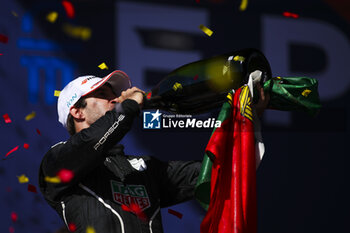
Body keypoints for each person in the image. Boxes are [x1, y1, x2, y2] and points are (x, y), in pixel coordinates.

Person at [38, 70, 269, 233]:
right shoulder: (57, 162)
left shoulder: (146, 168)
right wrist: (128, 108)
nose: (114, 98)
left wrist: (248, 118)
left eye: (113, 93)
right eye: (103, 94)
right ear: (77, 112)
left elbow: (224, 172)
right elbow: (91, 142)